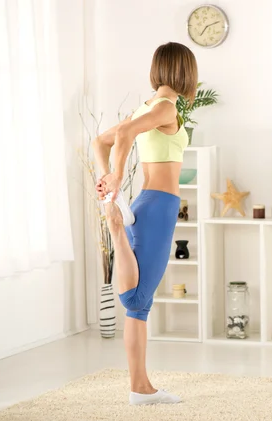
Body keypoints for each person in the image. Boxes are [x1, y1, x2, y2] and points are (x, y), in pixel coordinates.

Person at [92, 41, 197, 405]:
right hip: (160, 206)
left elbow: (99, 142)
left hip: (146, 203)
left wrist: (109, 184)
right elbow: (120, 137)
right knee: (138, 300)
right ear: (185, 71)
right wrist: (116, 177)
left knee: (138, 302)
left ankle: (141, 386)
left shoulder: (147, 106)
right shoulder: (166, 106)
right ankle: (140, 388)